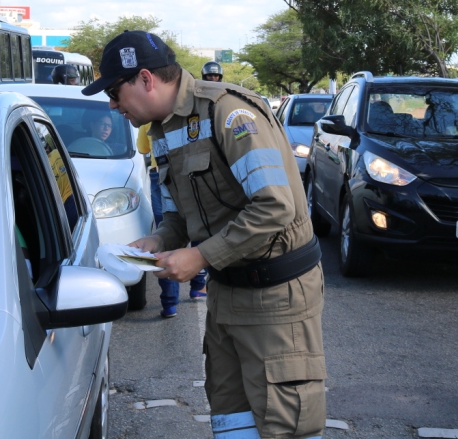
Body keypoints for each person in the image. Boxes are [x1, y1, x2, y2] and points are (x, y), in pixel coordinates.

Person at [84, 31, 325, 439]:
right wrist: (158, 241)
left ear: (145, 79)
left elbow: (275, 206)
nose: (112, 104)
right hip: (227, 293)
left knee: (285, 426)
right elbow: (180, 214)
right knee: (232, 421)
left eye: (113, 91)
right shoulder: (161, 130)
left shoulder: (229, 113)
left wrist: (200, 257)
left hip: (276, 299)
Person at [136, 122, 207, 319]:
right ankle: (198, 285)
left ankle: (169, 304)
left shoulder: (146, 119)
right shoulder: (190, 118)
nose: (115, 105)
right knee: (195, 228)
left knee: (168, 235)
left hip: (160, 174)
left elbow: (143, 148)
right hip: (188, 174)